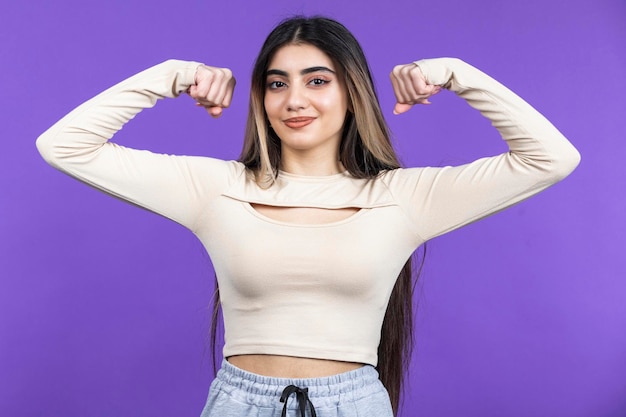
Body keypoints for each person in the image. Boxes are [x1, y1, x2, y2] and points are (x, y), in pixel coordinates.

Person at [36, 15, 580, 417]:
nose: (294, 99)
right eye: (278, 82)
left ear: (352, 93)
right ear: (261, 98)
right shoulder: (215, 188)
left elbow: (551, 159)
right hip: (237, 404)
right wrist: (171, 75)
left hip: (355, 406)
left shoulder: (405, 197)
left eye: (317, 80)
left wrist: (458, 74)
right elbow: (65, 147)